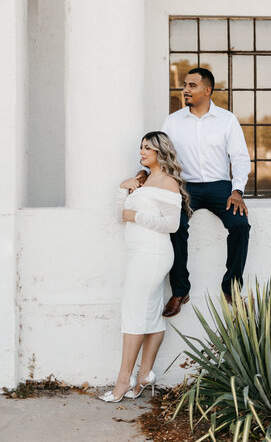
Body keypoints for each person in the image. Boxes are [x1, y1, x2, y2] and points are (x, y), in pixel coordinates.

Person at [132, 68, 251, 318]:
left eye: (192, 85)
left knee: (240, 225)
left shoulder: (227, 119)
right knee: (176, 226)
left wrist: (237, 190)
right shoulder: (173, 121)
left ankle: (231, 287)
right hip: (185, 187)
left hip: (221, 186)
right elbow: (161, 152)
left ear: (207, 90)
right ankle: (179, 290)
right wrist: (144, 172)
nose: (185, 89)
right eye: (185, 85)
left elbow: (239, 157)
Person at [99, 132, 191, 402]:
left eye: (147, 148)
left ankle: (122, 382)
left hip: (153, 255)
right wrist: (123, 188)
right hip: (140, 254)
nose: (141, 152)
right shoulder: (145, 179)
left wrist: (136, 215)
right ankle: (144, 376)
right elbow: (122, 216)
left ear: (161, 152)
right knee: (150, 315)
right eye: (141, 147)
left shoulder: (169, 182)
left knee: (132, 314)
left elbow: (172, 224)